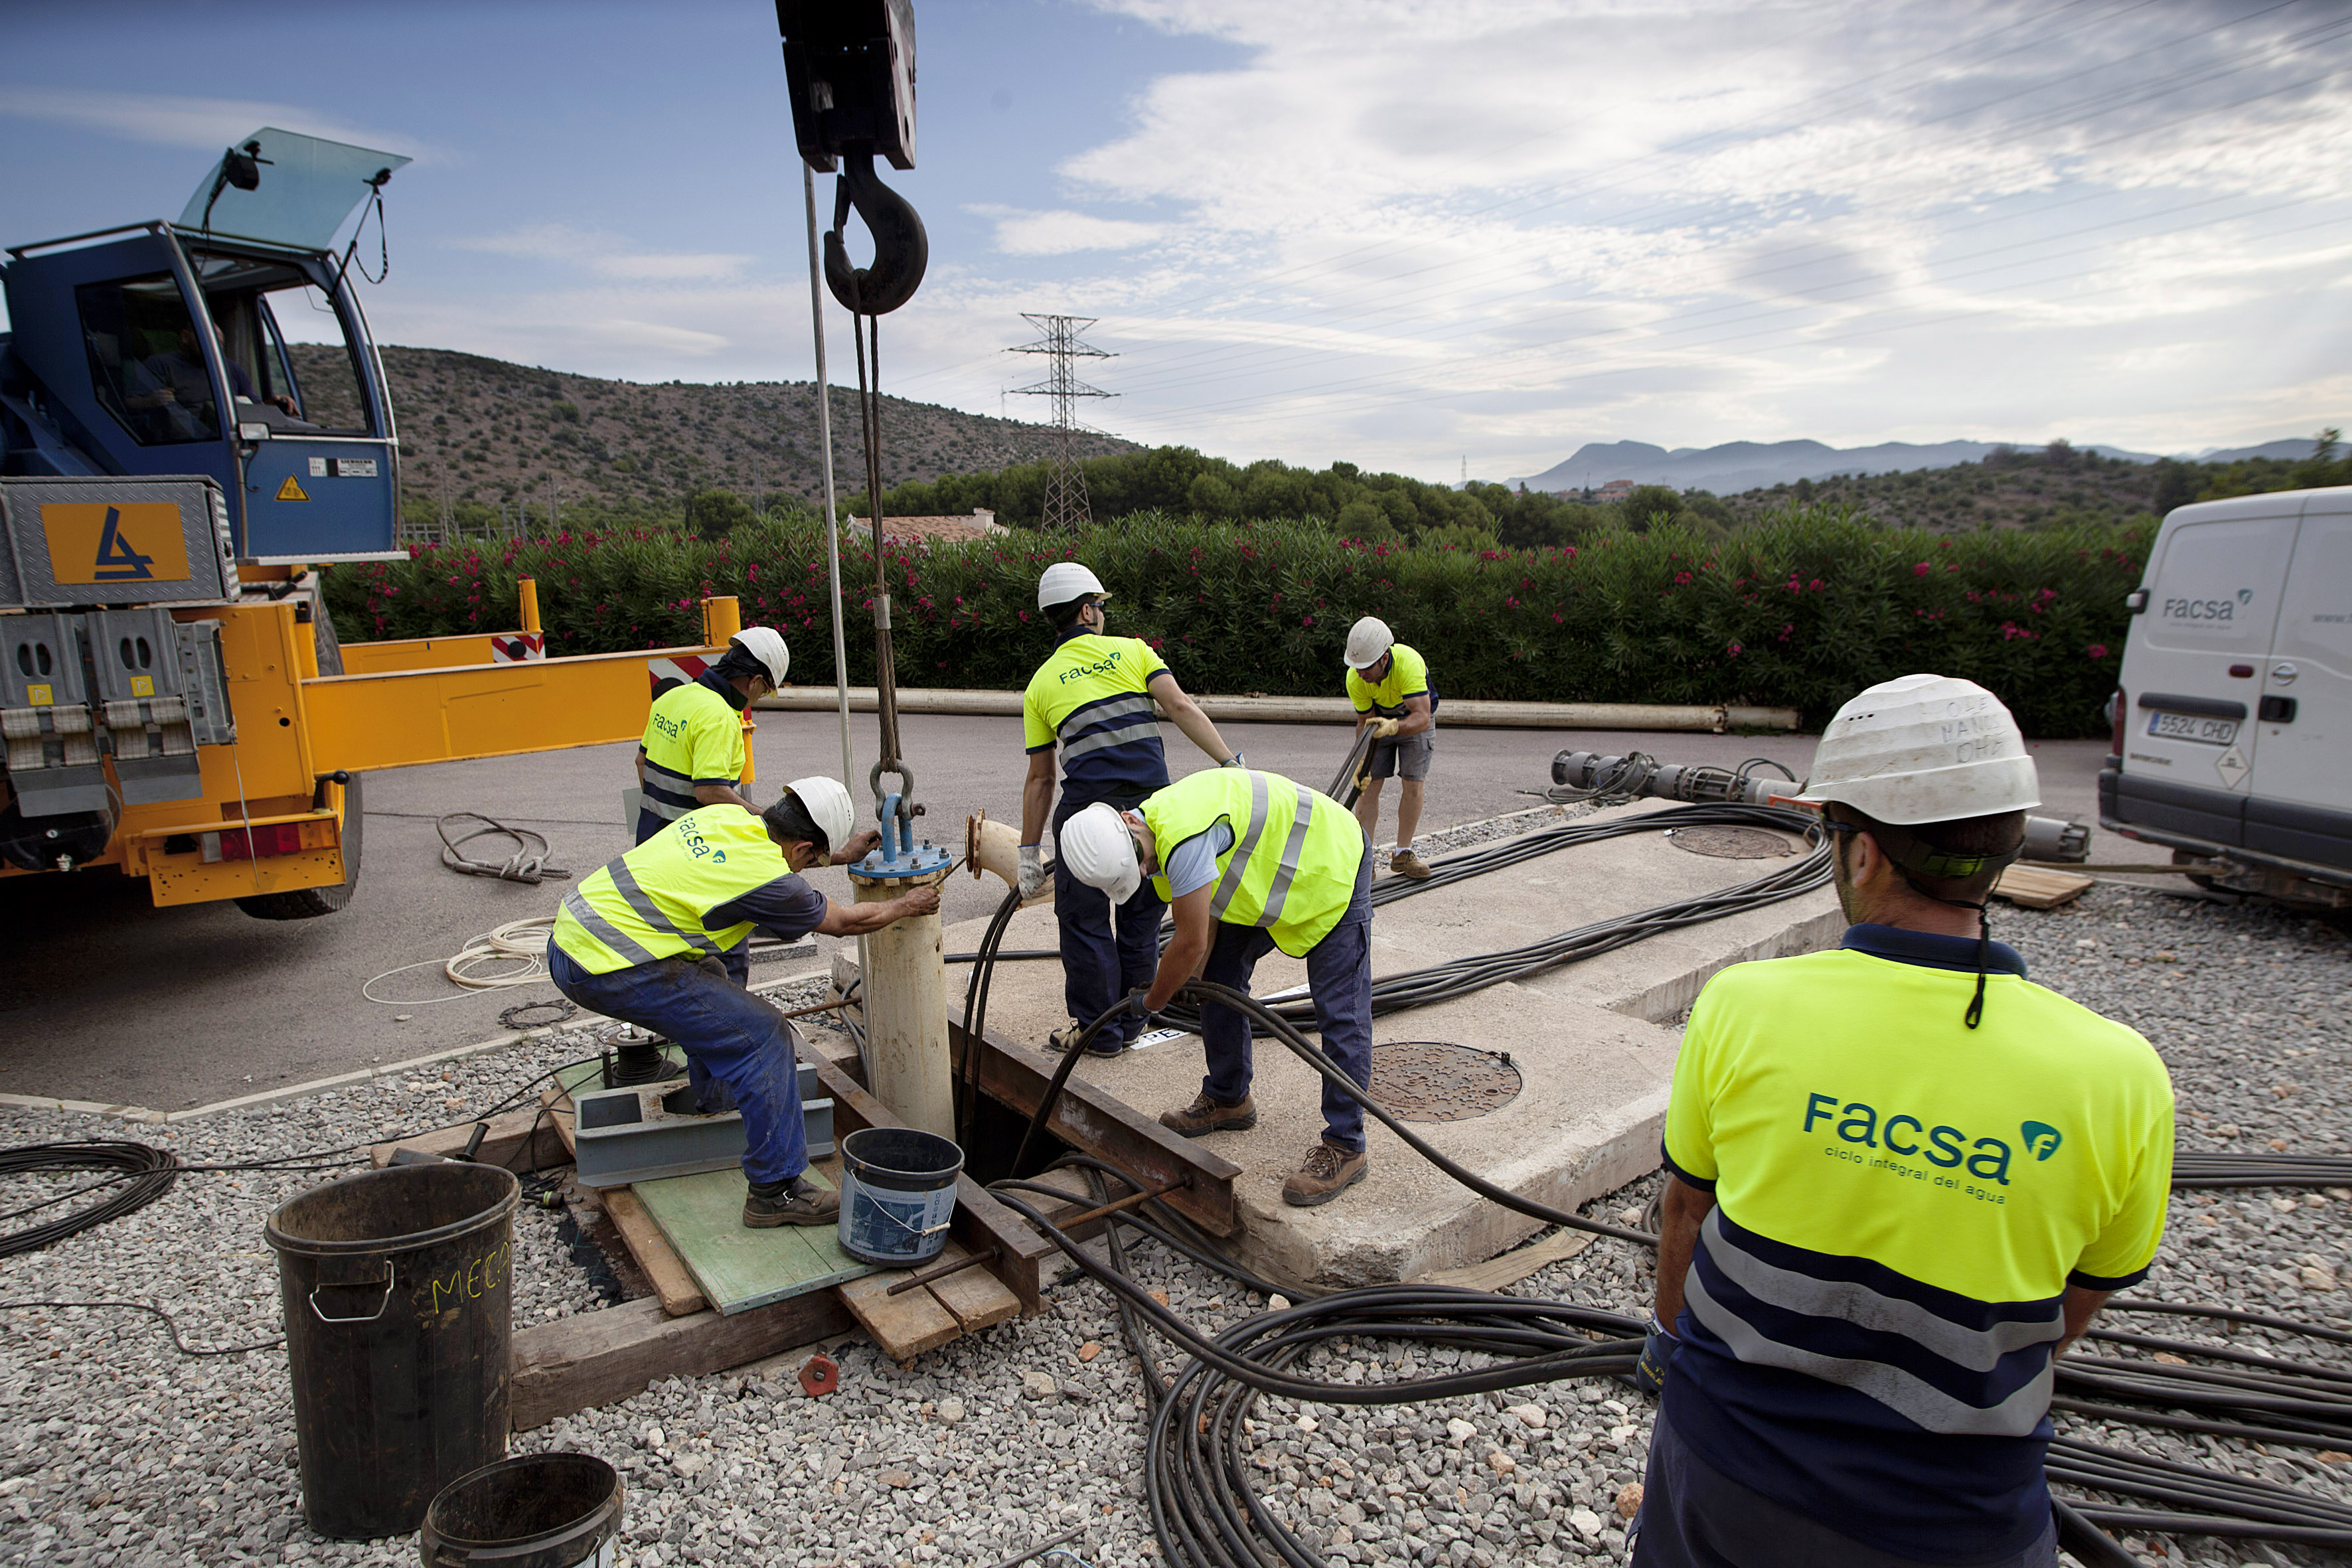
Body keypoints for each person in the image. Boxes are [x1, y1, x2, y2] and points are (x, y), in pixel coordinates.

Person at [1630, 674, 2175, 1568]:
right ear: (2003, 851)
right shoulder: (2121, 1076)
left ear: (1864, 855)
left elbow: (1686, 1210)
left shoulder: (1743, 1005)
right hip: (1960, 1518)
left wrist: (1668, 1342)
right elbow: (2074, 1302)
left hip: (1725, 1471)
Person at [547, 779, 925, 1229]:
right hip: (605, 964)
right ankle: (776, 1191)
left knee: (711, 975)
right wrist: (907, 904)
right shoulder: (771, 883)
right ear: (803, 847)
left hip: (573, 936)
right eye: (812, 861)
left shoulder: (727, 817)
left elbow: (773, 852)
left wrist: (839, 854)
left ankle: (718, 1096)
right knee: (763, 1034)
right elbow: (843, 922)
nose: (806, 870)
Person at [1056, 767, 1376, 1206]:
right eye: (1137, 869)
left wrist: (1151, 1001)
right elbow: (1204, 909)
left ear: (1128, 819)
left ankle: (1346, 1145)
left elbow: (1189, 943)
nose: (1145, 869)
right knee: (1218, 981)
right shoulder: (1157, 828)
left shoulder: (1181, 834)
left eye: (1140, 859)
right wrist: (1194, 976)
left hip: (1332, 864)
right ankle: (1229, 1099)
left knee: (1340, 1012)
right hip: (1272, 875)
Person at [1018, 561, 1243, 1058]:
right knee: (1141, 920)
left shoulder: (1040, 684)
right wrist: (1229, 762)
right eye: (1099, 606)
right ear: (1086, 611)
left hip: (1085, 817)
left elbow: (1041, 778)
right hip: (1149, 809)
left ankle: (1098, 1033)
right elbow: (1181, 707)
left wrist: (1028, 852)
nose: (1102, 613)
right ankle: (1134, 1020)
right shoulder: (1134, 651)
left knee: (1084, 924)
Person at [637, 627, 791, 848]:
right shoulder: (720, 717)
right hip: (689, 848)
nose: (760, 697)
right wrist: (764, 819)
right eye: (766, 690)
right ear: (755, 682)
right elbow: (710, 791)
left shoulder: (671, 697)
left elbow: (641, 761)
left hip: (649, 839)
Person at [1342, 617, 1438, 880]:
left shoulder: (1409, 666)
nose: (1360, 674)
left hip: (1415, 721)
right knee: (1367, 787)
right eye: (1356, 667)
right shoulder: (1356, 678)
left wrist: (1394, 726)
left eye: (1366, 668)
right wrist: (1362, 762)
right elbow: (1364, 722)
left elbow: (1422, 718)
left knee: (1413, 783)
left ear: (1384, 659)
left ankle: (1403, 854)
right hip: (1379, 723)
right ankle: (1365, 862)